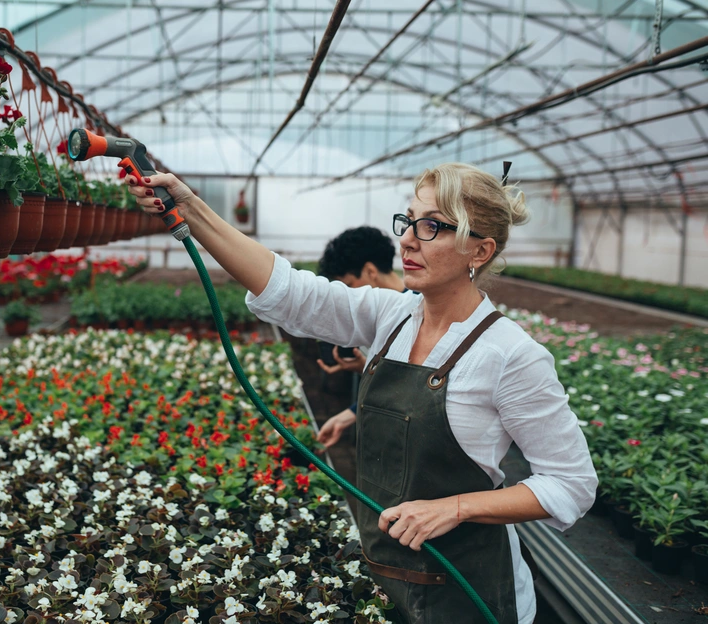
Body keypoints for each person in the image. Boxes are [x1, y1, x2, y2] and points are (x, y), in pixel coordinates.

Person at [126, 163, 597, 624]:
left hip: (469, 591)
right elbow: (291, 291)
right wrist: (191, 208)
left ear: (480, 250)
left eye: (432, 226)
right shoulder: (392, 316)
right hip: (387, 572)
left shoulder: (510, 354)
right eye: (409, 221)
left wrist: (457, 507)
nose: (408, 239)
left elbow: (571, 484)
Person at [314, 226, 408, 449]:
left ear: (370, 271)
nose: (349, 296)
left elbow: (418, 389)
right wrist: (363, 366)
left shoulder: (420, 311)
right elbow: (402, 378)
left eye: (348, 286)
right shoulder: (384, 313)